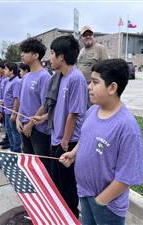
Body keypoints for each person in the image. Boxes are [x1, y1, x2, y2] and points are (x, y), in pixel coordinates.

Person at [59, 59, 143, 225]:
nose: (89, 86)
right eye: (90, 81)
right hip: (84, 192)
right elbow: (85, 138)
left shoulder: (127, 127)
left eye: (95, 82)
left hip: (107, 204)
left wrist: (101, 201)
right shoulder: (92, 111)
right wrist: (74, 153)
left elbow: (126, 177)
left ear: (112, 88)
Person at [32, 35, 87, 218]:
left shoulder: (76, 78)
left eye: (53, 54)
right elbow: (61, 109)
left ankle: (71, 217)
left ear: (62, 57)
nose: (50, 58)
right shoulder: (61, 78)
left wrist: (64, 140)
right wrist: (45, 118)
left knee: (68, 187)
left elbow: (74, 113)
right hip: (57, 139)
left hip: (68, 142)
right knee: (57, 184)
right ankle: (61, 216)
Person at [16, 38, 52, 172]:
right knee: (29, 163)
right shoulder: (26, 76)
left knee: (42, 165)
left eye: (25, 51)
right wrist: (19, 118)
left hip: (38, 129)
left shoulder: (44, 77)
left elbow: (45, 105)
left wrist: (31, 124)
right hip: (24, 126)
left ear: (36, 55)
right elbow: (23, 101)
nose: (22, 54)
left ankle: (46, 192)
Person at [0, 62, 22, 152]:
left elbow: (17, 99)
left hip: (12, 112)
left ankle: (16, 150)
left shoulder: (16, 82)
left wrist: (14, 113)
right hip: (7, 111)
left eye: (6, 69)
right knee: (9, 131)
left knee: (14, 133)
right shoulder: (9, 80)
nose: (4, 71)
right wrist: (3, 101)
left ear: (11, 71)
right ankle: (12, 148)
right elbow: (9, 96)